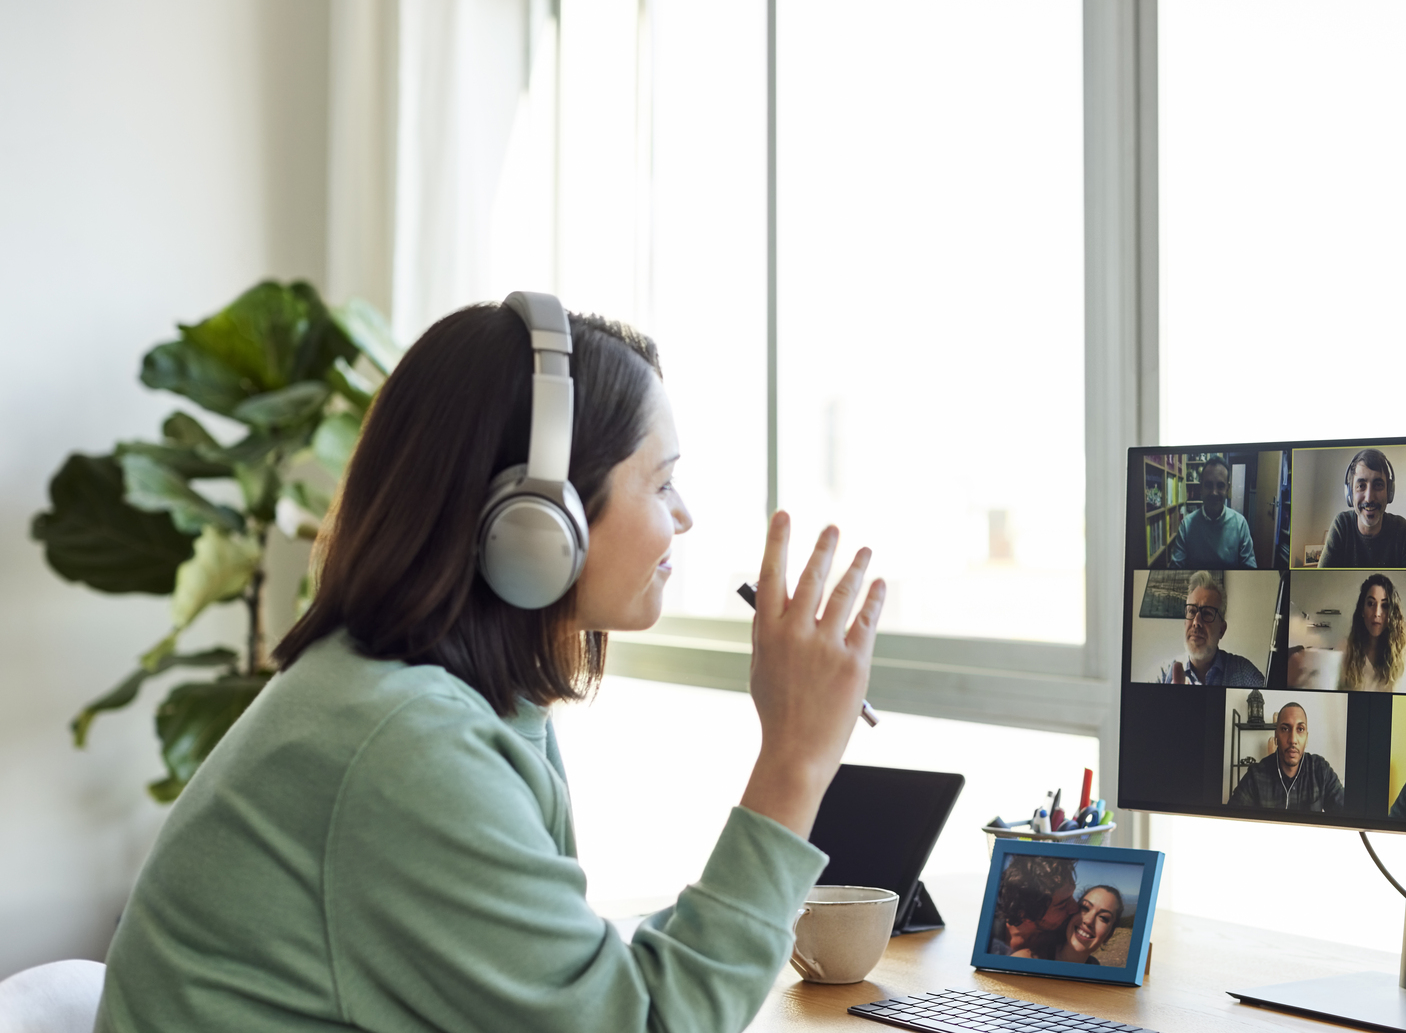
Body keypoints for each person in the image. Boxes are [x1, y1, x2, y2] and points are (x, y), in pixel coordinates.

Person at [95, 300, 886, 1033]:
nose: (684, 516)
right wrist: (794, 758)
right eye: (662, 480)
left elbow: (581, 988)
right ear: (541, 517)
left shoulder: (439, 703)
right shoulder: (407, 744)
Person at [1228, 702, 1345, 812]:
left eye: (1300, 729)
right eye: (1285, 729)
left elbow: (1347, 812)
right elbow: (1231, 820)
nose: (1293, 740)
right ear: (1276, 736)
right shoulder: (1256, 776)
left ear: (1306, 738)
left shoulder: (1321, 770)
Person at [1318, 448, 1406, 568]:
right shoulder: (1342, 526)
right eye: (1361, 486)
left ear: (1389, 492)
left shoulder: (1402, 530)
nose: (1369, 498)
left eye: (1378, 485)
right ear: (1350, 493)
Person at [1156, 571, 1265, 687]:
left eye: (1207, 613)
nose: (1196, 622)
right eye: (1192, 611)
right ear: (1184, 622)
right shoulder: (1163, 674)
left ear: (1222, 630)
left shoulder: (1244, 673)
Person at [1171, 456, 1259, 569]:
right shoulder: (1186, 525)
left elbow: (1250, 570)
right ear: (1201, 488)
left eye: (1220, 486)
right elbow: (1175, 569)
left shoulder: (1240, 524)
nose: (1214, 492)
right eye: (1208, 485)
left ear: (1228, 489)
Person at [988, 856, 1080, 957]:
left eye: (1072, 895)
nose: (1075, 908)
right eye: (1062, 905)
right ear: (1025, 915)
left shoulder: (1066, 932)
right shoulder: (987, 940)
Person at [1337, 573, 1406, 692]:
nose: (1377, 613)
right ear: (1362, 610)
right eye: (1371, 604)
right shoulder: (1345, 649)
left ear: (1392, 613)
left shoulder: (1403, 653)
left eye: (1385, 605)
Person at [1026, 885, 1125, 966]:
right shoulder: (1028, 960)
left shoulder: (1094, 968)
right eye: (1085, 908)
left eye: (1103, 918)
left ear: (1109, 935)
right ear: (1073, 911)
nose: (1089, 921)